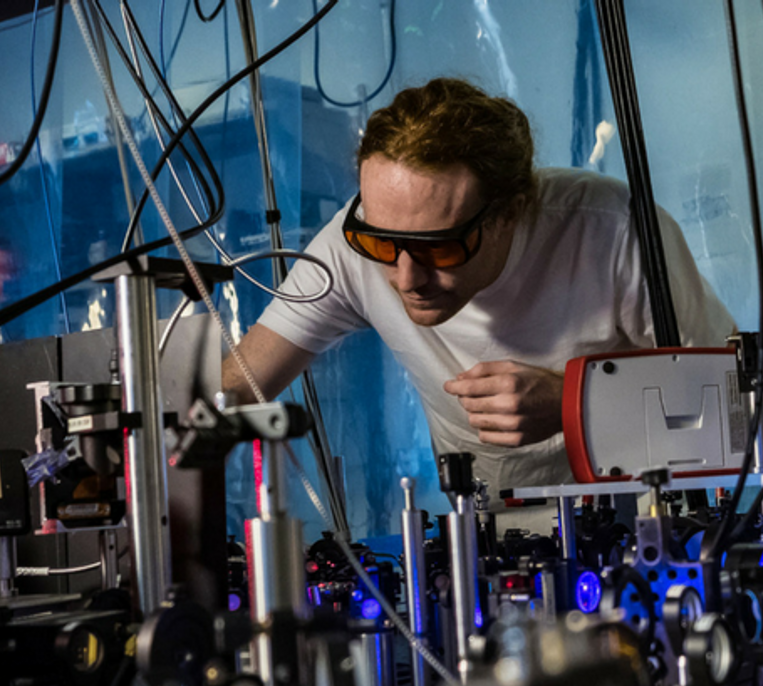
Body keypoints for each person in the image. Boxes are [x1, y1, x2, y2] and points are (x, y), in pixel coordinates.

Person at [223, 78, 735, 496]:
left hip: (648, 523)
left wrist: (576, 402)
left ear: (510, 212)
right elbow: (236, 388)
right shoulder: (351, 244)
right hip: (485, 533)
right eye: (383, 244)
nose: (408, 278)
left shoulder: (611, 228)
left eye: (439, 248)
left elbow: (736, 402)